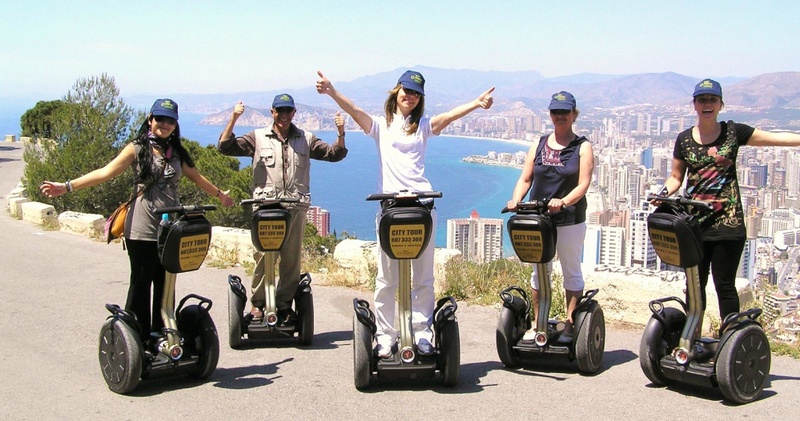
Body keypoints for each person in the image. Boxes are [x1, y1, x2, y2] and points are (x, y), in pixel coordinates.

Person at [316, 69, 494, 357]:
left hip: (421, 206)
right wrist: (332, 90)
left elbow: (448, 117)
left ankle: (423, 333)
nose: (409, 96)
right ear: (396, 92)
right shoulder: (379, 126)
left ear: (419, 98)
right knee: (387, 278)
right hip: (390, 209)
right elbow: (355, 109)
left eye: (415, 93)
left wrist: (476, 102)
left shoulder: (422, 126)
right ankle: (386, 335)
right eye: (405, 90)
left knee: (423, 277)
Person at [40, 98, 235, 340]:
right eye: (160, 119)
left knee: (166, 285)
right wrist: (66, 187)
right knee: (141, 284)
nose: (164, 124)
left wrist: (219, 195)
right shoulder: (137, 149)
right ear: (150, 120)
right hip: (141, 229)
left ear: (175, 125)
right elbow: (105, 173)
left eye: (170, 120)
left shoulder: (176, 153)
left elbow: (197, 177)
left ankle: (163, 333)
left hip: (170, 230)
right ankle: (136, 338)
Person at [660, 78, 800, 322]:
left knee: (724, 286)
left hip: (728, 224)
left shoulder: (733, 133)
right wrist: (663, 194)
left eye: (712, 100)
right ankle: (690, 338)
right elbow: (675, 177)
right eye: (702, 99)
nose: (707, 104)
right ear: (694, 104)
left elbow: (775, 138)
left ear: (720, 105)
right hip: (694, 224)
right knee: (694, 286)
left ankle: (729, 340)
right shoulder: (683, 139)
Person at [217, 94, 347, 325]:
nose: (284, 115)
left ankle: (284, 304)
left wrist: (340, 133)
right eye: (280, 111)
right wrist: (234, 118)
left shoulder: (306, 138)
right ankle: (258, 304)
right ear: (272, 112)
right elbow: (225, 147)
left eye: (288, 111)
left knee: (291, 259)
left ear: (294, 113)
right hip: (265, 207)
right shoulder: (257, 137)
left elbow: (334, 154)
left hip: (295, 206)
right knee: (263, 256)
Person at [507, 91, 594, 342]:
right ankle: (539, 323)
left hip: (569, 219)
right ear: (550, 114)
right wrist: (517, 200)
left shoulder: (582, 147)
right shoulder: (540, 143)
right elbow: (526, 178)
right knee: (539, 271)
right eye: (555, 112)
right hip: (539, 219)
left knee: (570, 270)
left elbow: (583, 184)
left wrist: (564, 201)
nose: (559, 116)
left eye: (564, 112)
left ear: (573, 115)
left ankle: (570, 325)